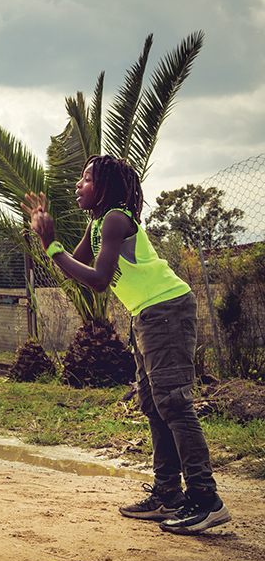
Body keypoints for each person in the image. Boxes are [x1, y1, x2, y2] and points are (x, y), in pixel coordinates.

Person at [22, 155, 230, 535]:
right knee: (153, 404)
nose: (78, 186)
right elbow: (76, 264)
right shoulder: (99, 222)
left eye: (86, 179)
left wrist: (52, 244)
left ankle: (206, 500)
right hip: (146, 314)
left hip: (166, 310)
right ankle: (169, 494)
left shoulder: (116, 218)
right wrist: (45, 239)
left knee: (174, 404)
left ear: (104, 187)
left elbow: (99, 279)